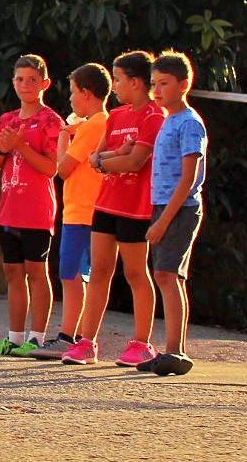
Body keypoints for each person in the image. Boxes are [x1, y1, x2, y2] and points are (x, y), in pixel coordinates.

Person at [64, 51, 163, 367]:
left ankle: (141, 343)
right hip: (106, 203)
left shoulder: (153, 116)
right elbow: (97, 157)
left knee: (135, 272)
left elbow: (136, 161)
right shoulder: (116, 116)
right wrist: (111, 158)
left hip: (135, 207)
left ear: (135, 82)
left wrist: (109, 160)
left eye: (118, 79)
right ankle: (86, 342)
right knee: (99, 271)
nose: (115, 86)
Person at [0, 55, 62, 355]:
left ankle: (37, 337)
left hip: (37, 211)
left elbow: (51, 168)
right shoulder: (7, 119)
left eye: (31, 79)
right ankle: (14, 338)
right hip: (9, 209)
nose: (25, 85)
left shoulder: (52, 121)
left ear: (45, 83)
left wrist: (21, 146)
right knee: (13, 272)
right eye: (19, 79)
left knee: (36, 272)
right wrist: (4, 149)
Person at [30, 63, 110, 359]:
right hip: (85, 210)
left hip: (83, 212)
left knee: (71, 274)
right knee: (77, 274)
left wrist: (64, 137)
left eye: (74, 92)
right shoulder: (98, 122)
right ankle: (77, 336)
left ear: (87, 94)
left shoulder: (93, 124)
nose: (72, 99)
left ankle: (69, 336)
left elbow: (62, 169)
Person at [140, 52, 206, 376]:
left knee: (168, 275)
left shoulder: (190, 123)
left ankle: (175, 350)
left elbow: (189, 177)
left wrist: (164, 220)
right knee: (165, 274)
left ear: (183, 84)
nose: (157, 90)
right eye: (154, 84)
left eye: (163, 84)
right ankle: (171, 349)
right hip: (163, 207)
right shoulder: (168, 120)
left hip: (181, 209)